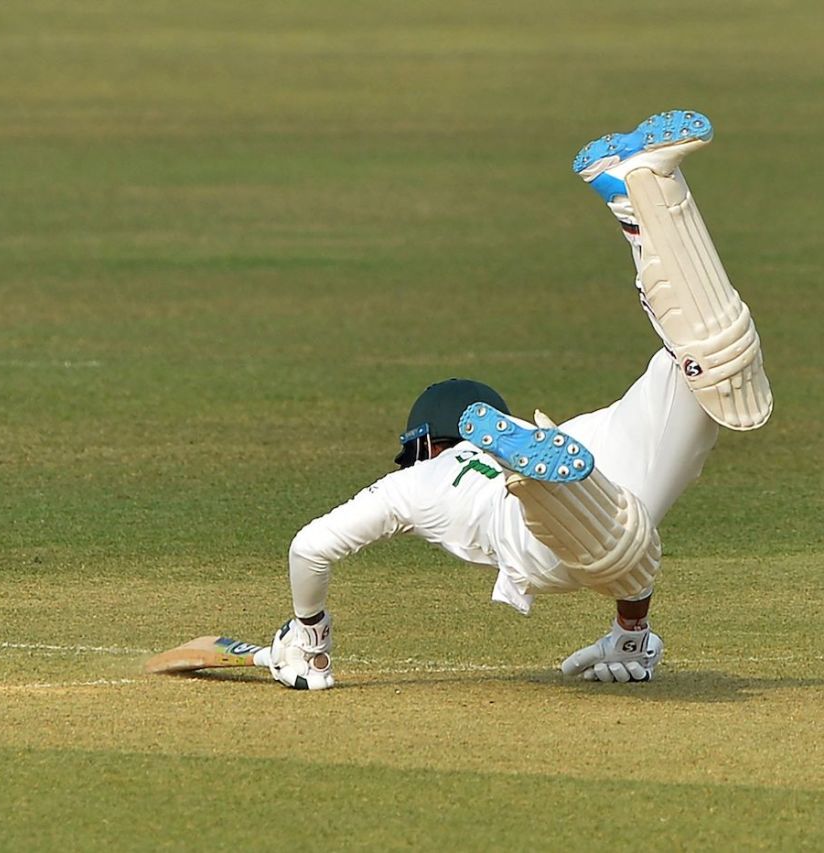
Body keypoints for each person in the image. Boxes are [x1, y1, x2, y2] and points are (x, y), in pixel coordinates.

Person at [265, 109, 773, 690]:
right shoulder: (551, 443)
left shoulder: (418, 484)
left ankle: (547, 485)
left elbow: (309, 548)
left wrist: (309, 639)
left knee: (610, 538)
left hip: (531, 528)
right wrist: (631, 635)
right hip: (595, 441)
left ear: (427, 443)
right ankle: (637, 196)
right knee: (715, 363)